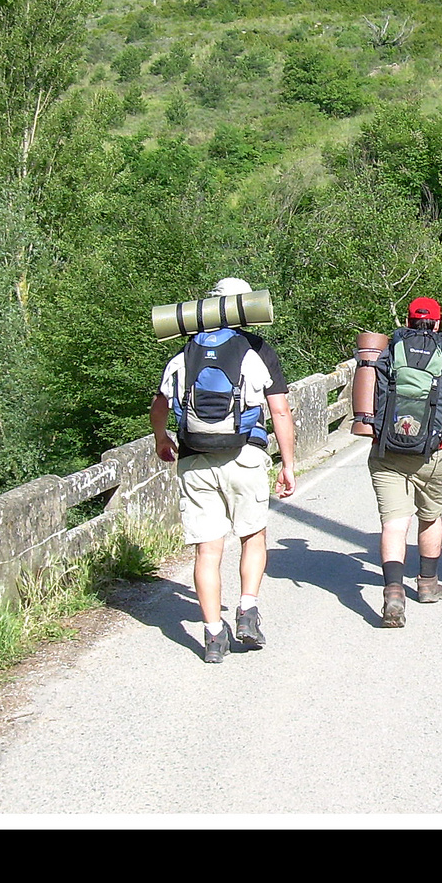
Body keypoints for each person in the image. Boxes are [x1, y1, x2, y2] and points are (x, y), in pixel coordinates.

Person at [150, 278, 297, 663]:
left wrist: (161, 439)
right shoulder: (257, 350)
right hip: (245, 456)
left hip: (195, 458)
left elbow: (159, 407)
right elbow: (279, 409)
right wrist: (288, 463)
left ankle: (214, 636)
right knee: (253, 536)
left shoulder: (185, 352)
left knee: (207, 550)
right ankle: (247, 609)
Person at [366, 297, 442, 628]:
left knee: (395, 523)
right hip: (432, 451)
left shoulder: (389, 351)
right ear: (437, 324)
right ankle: (427, 584)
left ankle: (394, 593)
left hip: (389, 452)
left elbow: (370, 398)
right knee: (430, 516)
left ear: (409, 322)